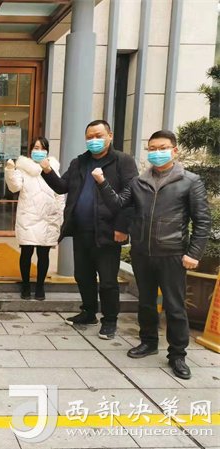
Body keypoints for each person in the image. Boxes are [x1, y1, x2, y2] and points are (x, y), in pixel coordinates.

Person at [92, 130, 211, 379]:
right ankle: (148, 342)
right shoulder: (139, 182)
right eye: (153, 149)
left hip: (172, 253)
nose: (157, 153)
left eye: (162, 148)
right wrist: (102, 182)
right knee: (146, 302)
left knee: (175, 306)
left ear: (174, 150)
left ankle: (177, 354)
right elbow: (117, 204)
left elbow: (202, 221)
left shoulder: (190, 181)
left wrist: (194, 253)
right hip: (142, 253)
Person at [40, 120, 138, 339]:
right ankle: (88, 312)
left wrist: (122, 227)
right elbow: (62, 187)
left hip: (108, 231)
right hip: (81, 229)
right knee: (83, 275)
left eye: (98, 135)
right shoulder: (79, 162)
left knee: (108, 280)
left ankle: (110, 320)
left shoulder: (123, 161)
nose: (94, 140)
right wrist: (47, 171)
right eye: (90, 137)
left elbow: (130, 196)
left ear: (110, 136)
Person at [5, 137, 64, 300]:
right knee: (26, 252)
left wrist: (60, 213)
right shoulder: (23, 168)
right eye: (36, 148)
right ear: (30, 151)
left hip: (48, 216)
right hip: (28, 216)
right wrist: (10, 171)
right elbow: (14, 187)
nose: (39, 151)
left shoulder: (53, 168)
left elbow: (59, 192)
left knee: (43, 254)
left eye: (42, 148)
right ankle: (25, 286)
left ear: (47, 151)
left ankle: (40, 286)